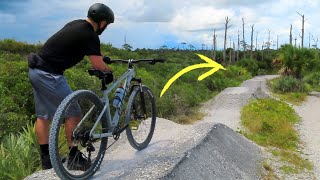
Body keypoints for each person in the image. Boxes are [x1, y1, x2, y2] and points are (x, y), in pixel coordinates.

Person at [28, 3, 114, 170]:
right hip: (50, 74)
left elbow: (95, 53)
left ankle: (46, 160)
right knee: (73, 112)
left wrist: (103, 59)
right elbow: (97, 63)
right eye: (107, 24)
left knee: (44, 115)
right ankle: (74, 158)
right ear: (102, 22)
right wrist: (109, 71)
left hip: (36, 69)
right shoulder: (90, 34)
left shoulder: (77, 25)